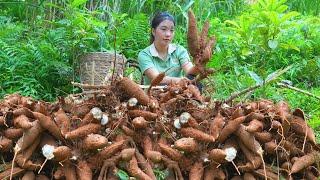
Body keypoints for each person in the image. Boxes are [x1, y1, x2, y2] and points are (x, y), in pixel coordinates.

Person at [137, 12, 199, 85]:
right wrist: (182, 81)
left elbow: (189, 71)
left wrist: (200, 63)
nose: (168, 34)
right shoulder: (144, 55)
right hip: (153, 94)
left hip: (179, 93)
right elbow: (156, 78)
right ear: (153, 31)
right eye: (163, 29)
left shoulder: (179, 50)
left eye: (171, 30)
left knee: (198, 84)